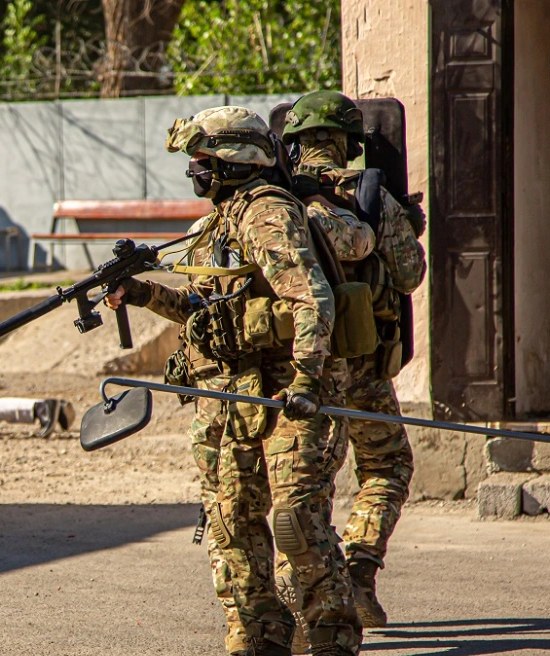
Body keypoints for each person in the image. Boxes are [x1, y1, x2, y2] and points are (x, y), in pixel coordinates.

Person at [106, 105, 362, 656]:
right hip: (229, 399)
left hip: (287, 394)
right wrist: (145, 293)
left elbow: (310, 298)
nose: (194, 170)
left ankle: (331, 635)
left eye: (201, 159)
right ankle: (259, 634)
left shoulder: (266, 213)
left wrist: (308, 380)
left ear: (232, 160)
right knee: (232, 527)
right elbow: (205, 309)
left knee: (297, 521)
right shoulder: (215, 224)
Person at [276, 90, 427, 635]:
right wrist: (406, 224)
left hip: (300, 369)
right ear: (349, 143)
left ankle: (303, 602)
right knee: (386, 468)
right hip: (363, 364)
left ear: (292, 143)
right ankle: (358, 572)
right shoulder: (369, 195)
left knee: (303, 488)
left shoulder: (275, 201)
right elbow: (409, 277)